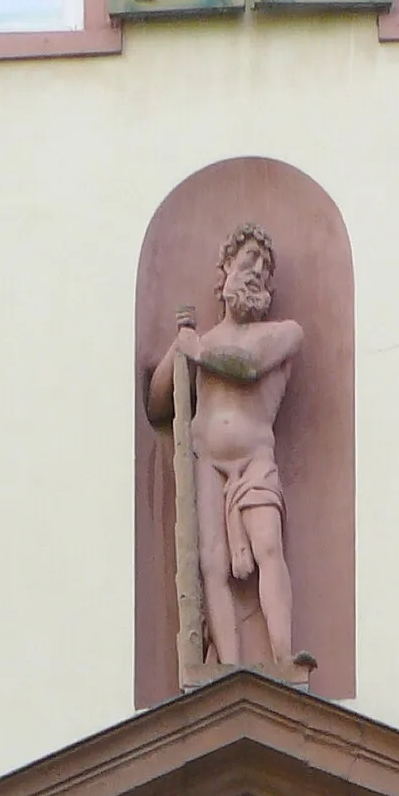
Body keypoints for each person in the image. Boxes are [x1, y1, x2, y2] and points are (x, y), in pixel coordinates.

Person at [147, 223, 304, 671]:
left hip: (255, 459)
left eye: (264, 266)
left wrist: (196, 351)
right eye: (247, 260)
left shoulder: (283, 333)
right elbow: (160, 403)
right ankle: (225, 671)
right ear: (225, 272)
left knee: (269, 547)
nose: (256, 271)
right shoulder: (203, 342)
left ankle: (284, 659)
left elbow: (249, 367)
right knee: (211, 564)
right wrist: (176, 353)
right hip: (207, 461)